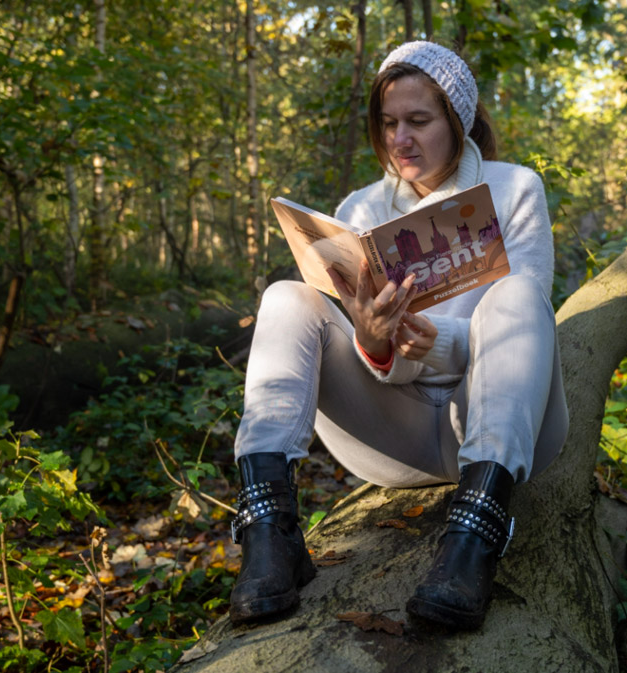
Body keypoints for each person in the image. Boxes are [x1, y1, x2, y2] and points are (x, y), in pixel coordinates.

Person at [228, 40, 569, 630]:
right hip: (397, 433)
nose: (399, 141)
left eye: (418, 121)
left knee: (516, 293)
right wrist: (379, 343)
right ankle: (269, 530)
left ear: (457, 120)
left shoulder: (515, 189)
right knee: (285, 297)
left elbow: (529, 322)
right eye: (387, 124)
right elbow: (371, 356)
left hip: (505, 424)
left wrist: (435, 341)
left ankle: (476, 537)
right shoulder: (360, 212)